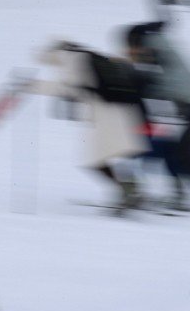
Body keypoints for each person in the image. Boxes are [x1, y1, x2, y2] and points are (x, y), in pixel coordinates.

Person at [35, 41, 150, 211]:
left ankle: (129, 192)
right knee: (104, 156)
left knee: (95, 159)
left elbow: (67, 88)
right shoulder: (88, 55)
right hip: (117, 112)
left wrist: (33, 85)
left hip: (105, 114)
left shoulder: (69, 58)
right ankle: (130, 190)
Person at [125, 22, 190, 212]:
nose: (134, 52)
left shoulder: (158, 50)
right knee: (183, 154)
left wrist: (138, 80)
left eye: (133, 46)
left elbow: (157, 81)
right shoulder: (160, 49)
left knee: (184, 155)